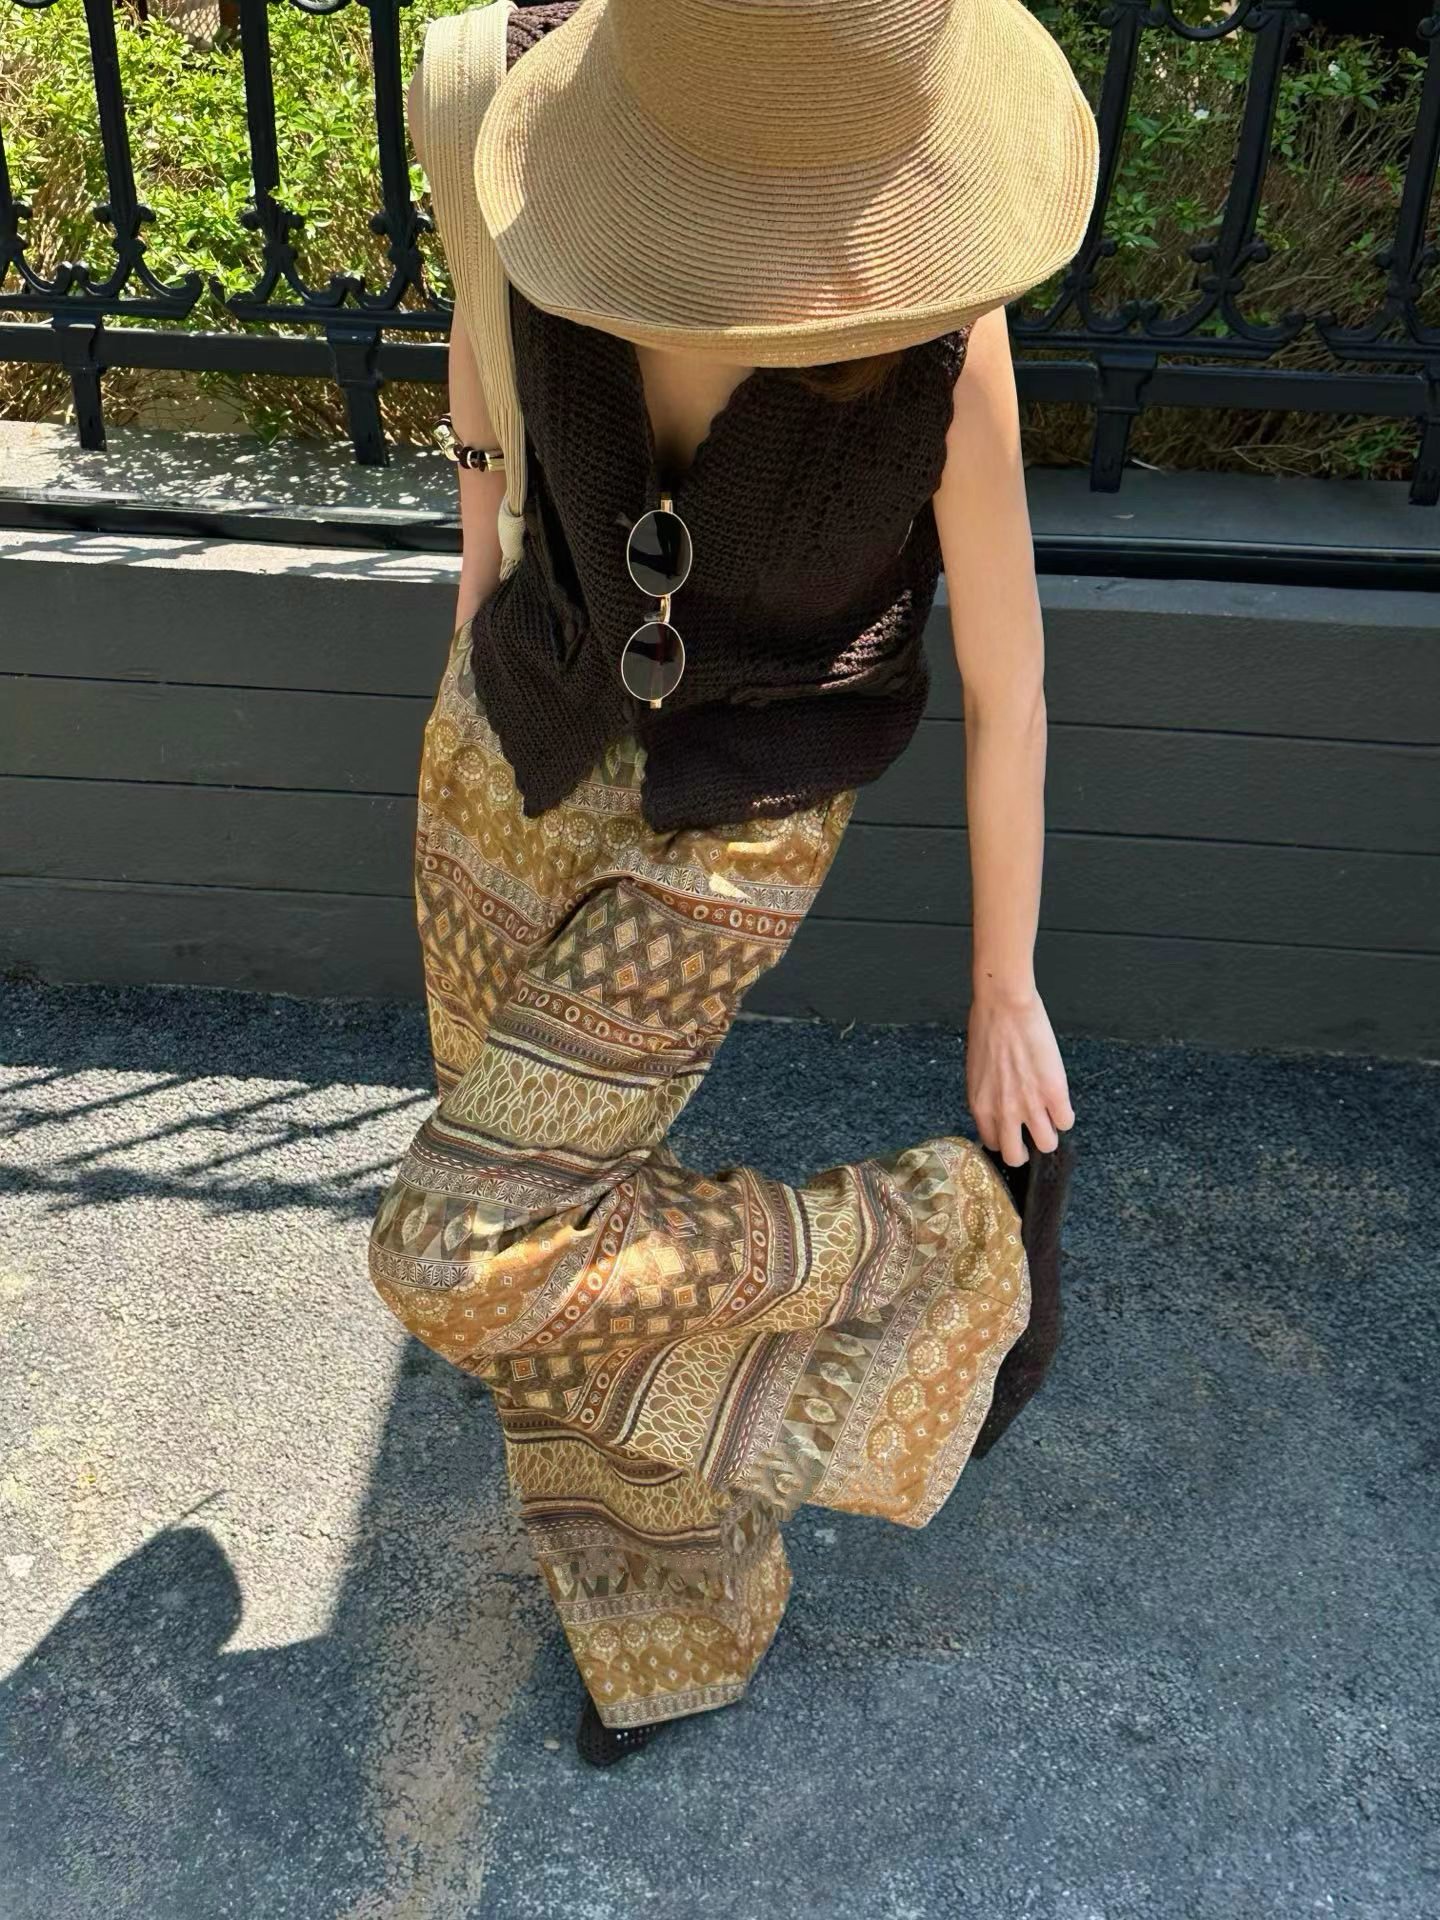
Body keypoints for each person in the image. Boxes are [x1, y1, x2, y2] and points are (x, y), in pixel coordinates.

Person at [372, 0, 1095, 1767]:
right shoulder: (532, 142)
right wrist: (475, 583)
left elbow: (1010, 683)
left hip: (741, 817)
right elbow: (481, 353)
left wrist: (1004, 985)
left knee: (467, 1250)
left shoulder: (940, 341)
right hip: (507, 742)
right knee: (561, 1253)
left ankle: (946, 1239)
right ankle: (667, 1620)